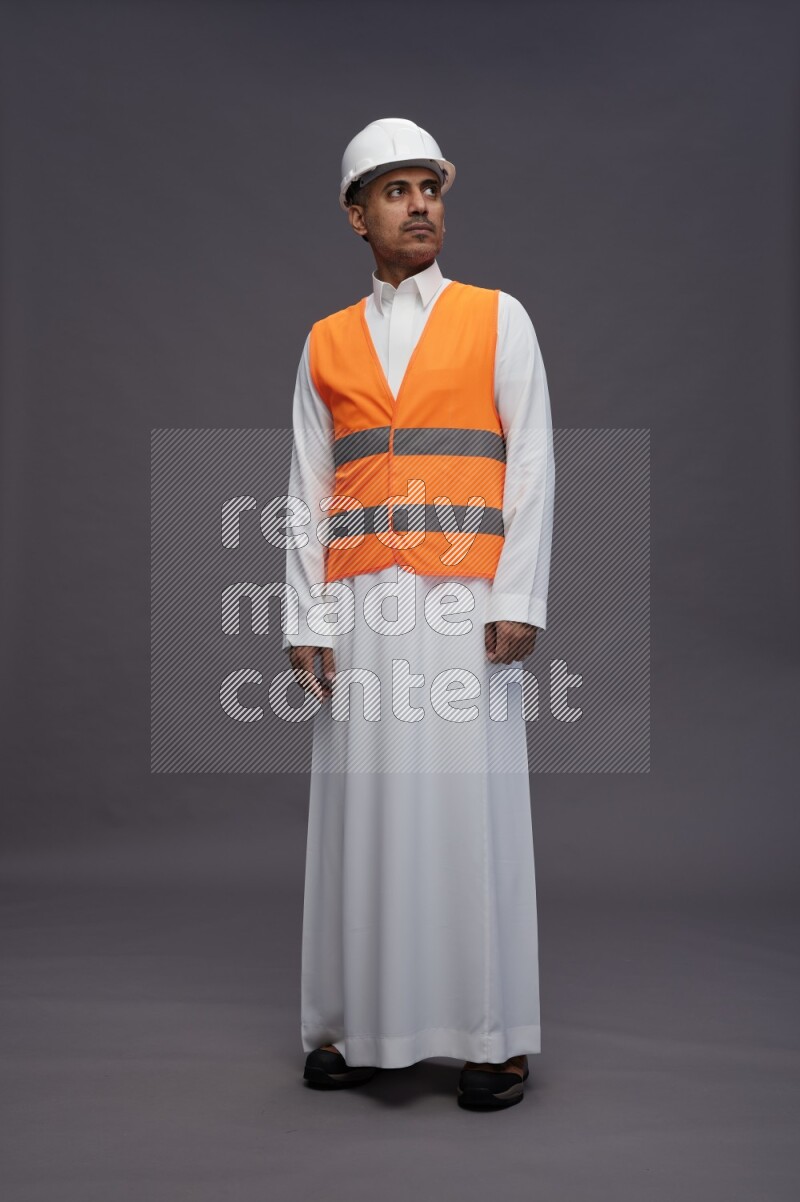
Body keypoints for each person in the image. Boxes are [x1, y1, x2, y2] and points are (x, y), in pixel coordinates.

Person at [282, 117, 555, 1110]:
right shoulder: (324, 341)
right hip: (358, 606)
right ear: (357, 215)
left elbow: (530, 459)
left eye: (429, 188)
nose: (420, 205)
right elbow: (308, 486)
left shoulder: (497, 317)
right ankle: (354, 1026)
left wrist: (519, 595)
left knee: (466, 808)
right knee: (361, 810)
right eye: (395, 191)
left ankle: (492, 1035)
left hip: (465, 604)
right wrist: (305, 617)